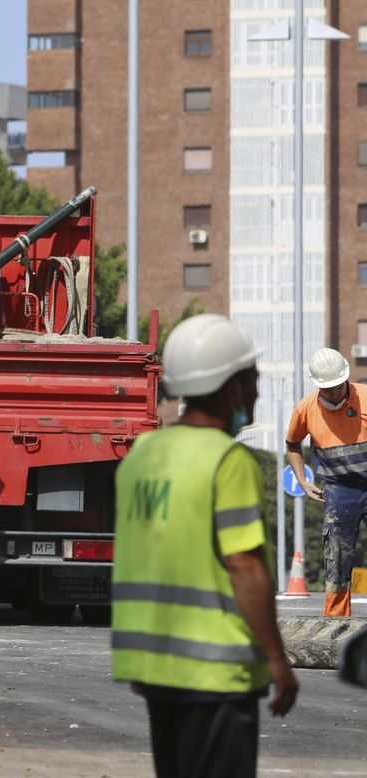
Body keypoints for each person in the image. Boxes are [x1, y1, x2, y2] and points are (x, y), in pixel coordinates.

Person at [112, 313, 297, 778]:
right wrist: (277, 659)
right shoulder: (228, 460)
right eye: (252, 380)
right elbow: (244, 565)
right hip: (217, 670)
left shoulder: (141, 456)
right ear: (230, 387)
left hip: (156, 669)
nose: (256, 392)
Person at [284, 346, 367, 618]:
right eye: (327, 388)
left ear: (346, 379)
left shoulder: (365, 397)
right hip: (339, 489)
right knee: (337, 557)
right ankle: (335, 622)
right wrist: (303, 480)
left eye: (337, 386)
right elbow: (293, 444)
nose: (334, 392)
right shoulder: (306, 408)